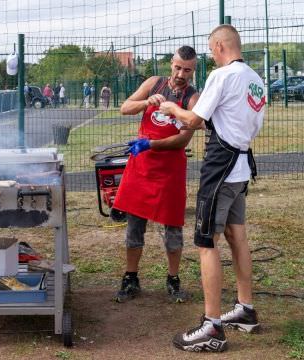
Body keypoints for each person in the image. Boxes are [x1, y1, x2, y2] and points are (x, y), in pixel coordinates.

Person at [160, 25, 264, 352]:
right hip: (242, 166)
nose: (210, 56)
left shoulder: (222, 76)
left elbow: (194, 120)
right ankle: (245, 309)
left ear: (219, 45)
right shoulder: (255, 80)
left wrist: (171, 109)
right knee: (237, 236)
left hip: (220, 169)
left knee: (206, 243)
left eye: (210, 50)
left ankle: (212, 326)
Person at [112, 46, 199, 304]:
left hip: (170, 170)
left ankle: (173, 280)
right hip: (142, 169)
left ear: (193, 71)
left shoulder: (193, 99)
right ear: (171, 64)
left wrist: (150, 144)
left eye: (187, 70)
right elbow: (125, 107)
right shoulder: (154, 84)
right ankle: (131, 278)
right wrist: (146, 102)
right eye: (178, 67)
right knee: (134, 226)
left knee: (173, 226)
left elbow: (183, 139)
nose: (181, 73)